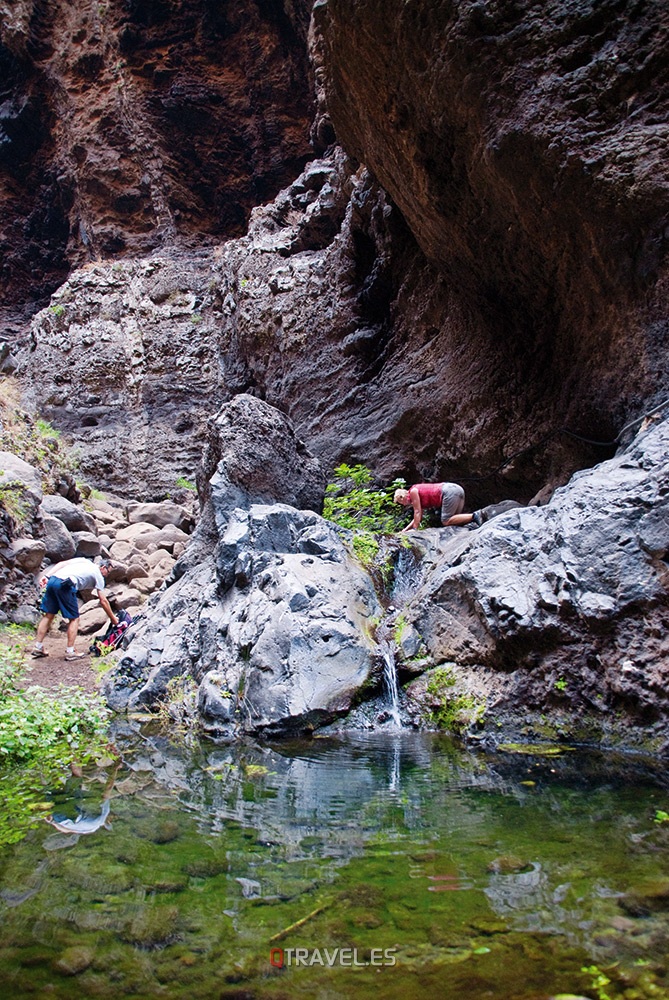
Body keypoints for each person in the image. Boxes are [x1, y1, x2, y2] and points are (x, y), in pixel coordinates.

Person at [32, 557, 118, 661]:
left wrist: (47, 576)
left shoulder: (84, 561)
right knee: (74, 619)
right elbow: (103, 600)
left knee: (49, 615)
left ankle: (38, 647)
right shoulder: (98, 575)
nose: (107, 575)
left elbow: (62, 563)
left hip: (53, 580)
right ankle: (70, 651)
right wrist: (113, 619)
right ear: (103, 567)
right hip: (65, 585)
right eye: (108, 572)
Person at [394, 482, 479, 532]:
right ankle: (477, 517)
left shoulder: (413, 491)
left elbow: (417, 512)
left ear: (402, 497)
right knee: (454, 521)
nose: (404, 505)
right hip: (457, 488)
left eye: (401, 502)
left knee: (446, 520)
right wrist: (405, 530)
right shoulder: (415, 492)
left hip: (448, 492)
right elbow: (418, 517)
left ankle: (476, 516)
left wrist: (415, 530)